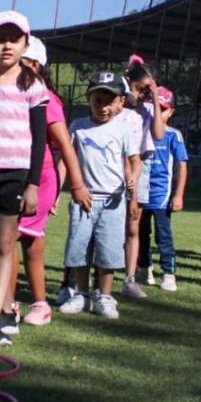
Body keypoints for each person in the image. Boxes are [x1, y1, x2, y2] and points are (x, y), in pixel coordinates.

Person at [0, 10, 49, 346]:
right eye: (0, 39)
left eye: (14, 39)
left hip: (16, 176)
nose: (6, 45)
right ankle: (3, 309)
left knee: (5, 244)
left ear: (25, 44)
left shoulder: (33, 85)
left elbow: (40, 137)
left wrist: (33, 184)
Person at [12, 37, 92, 325]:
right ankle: (38, 304)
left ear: (34, 65)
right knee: (30, 246)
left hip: (40, 179)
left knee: (9, 240)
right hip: (17, 177)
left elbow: (65, 145)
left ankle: (7, 306)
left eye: (19, 63)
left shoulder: (46, 99)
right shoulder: (13, 94)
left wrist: (77, 185)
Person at [58, 71, 139, 319]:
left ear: (121, 103)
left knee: (108, 250)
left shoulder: (124, 129)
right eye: (97, 100)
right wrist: (55, 193)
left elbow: (135, 161)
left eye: (109, 101)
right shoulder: (78, 127)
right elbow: (66, 161)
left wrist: (133, 181)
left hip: (113, 202)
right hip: (84, 199)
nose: (103, 106)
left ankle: (105, 296)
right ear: (89, 100)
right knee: (79, 248)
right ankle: (82, 294)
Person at [119, 55, 164, 299]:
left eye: (147, 89)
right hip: (113, 166)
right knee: (105, 224)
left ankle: (130, 279)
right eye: (140, 88)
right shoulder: (116, 104)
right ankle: (90, 277)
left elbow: (158, 134)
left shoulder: (147, 110)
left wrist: (155, 99)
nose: (143, 93)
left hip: (140, 169)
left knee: (133, 226)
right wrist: (127, 97)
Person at [137, 87, 188, 291]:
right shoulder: (141, 131)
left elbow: (181, 165)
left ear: (171, 111)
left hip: (162, 195)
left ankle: (168, 273)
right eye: (155, 107)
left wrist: (178, 195)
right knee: (140, 234)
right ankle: (144, 268)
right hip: (140, 193)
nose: (159, 112)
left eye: (164, 108)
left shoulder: (173, 136)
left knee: (163, 235)